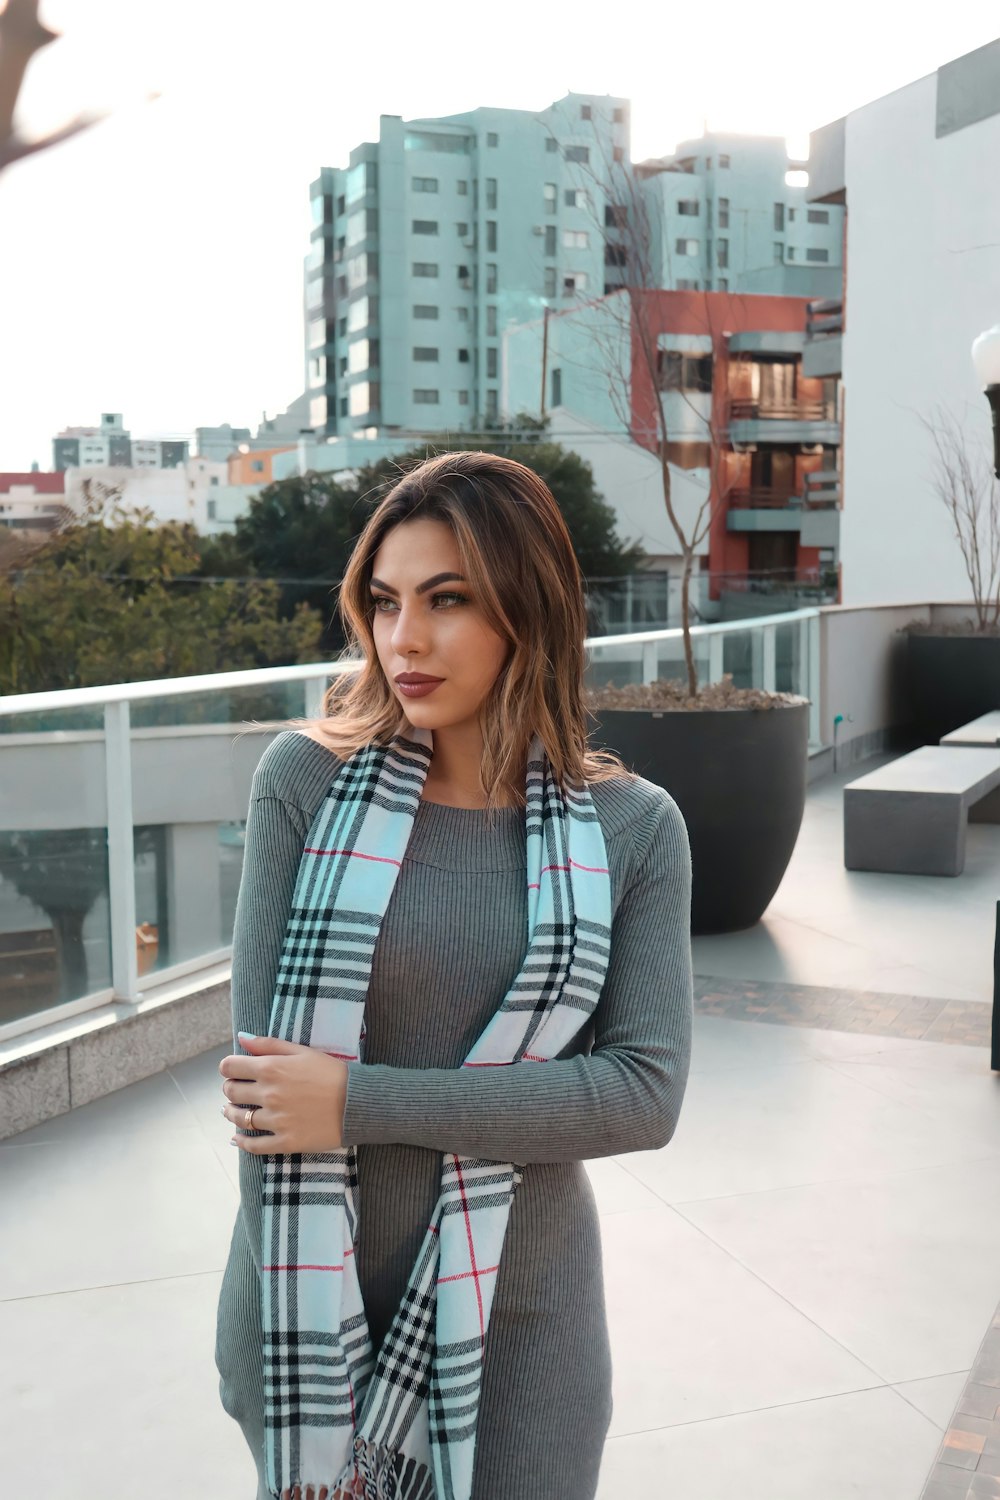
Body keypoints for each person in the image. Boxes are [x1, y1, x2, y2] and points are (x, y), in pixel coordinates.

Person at [214, 450, 694, 1500]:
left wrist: (358, 1101)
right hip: (308, 1312)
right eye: (383, 602)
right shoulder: (303, 783)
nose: (403, 641)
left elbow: (640, 1095)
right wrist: (318, 1405)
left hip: (525, 1314)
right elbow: (267, 1106)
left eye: (446, 600)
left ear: (528, 611)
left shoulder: (633, 831)